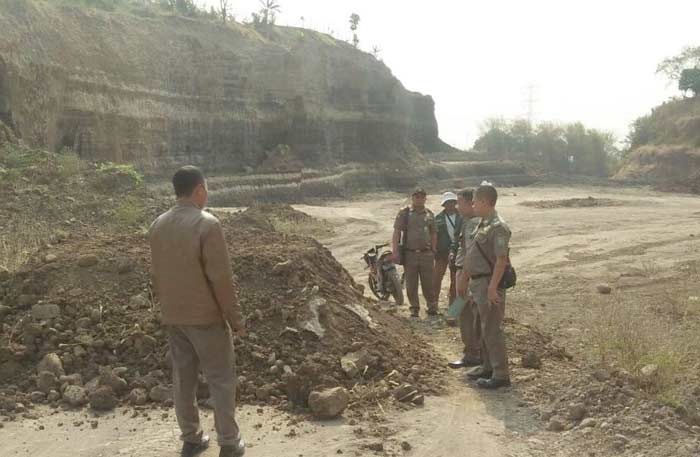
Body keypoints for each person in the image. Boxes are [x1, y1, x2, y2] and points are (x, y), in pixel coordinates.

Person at [148, 166, 247, 457]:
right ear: (200, 189)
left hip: (173, 316)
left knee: (183, 379)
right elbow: (221, 279)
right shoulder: (208, 225)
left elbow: (157, 275)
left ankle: (191, 438)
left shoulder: (157, 225)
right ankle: (229, 442)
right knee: (221, 379)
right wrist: (235, 319)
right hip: (206, 318)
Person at [463, 184, 512, 389]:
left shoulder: (498, 227)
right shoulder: (482, 224)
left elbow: (501, 260)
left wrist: (492, 288)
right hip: (478, 283)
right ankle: (487, 366)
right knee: (482, 327)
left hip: (488, 283)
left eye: (475, 201)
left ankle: (500, 374)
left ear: (484, 202)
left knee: (492, 328)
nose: (472, 205)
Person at [449, 188, 483, 369]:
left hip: (467, 273)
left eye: (460, 203)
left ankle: (473, 354)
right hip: (462, 270)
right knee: (463, 310)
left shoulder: (473, 224)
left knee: (468, 312)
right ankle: (472, 352)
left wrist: (463, 277)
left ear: (471, 203)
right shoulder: (465, 221)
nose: (457, 206)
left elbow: (471, 254)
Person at [392, 187, 438, 318]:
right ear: (412, 198)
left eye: (422, 197)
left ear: (425, 198)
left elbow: (434, 232)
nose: (419, 199)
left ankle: (432, 306)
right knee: (411, 283)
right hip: (410, 254)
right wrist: (395, 251)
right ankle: (414, 307)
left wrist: (434, 249)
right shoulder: (404, 213)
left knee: (428, 282)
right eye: (417, 197)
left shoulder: (429, 214)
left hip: (426, 254)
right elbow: (397, 232)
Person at [433, 192, 462, 313]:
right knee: (436, 278)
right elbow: (433, 235)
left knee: (455, 280)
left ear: (455, 203)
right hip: (441, 253)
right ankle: (433, 304)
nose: (450, 205)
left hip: (457, 252)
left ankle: (453, 307)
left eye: (452, 202)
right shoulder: (438, 218)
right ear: (444, 204)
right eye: (447, 203)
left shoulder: (462, 216)